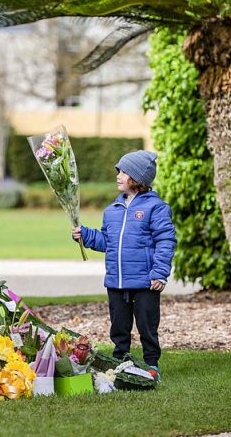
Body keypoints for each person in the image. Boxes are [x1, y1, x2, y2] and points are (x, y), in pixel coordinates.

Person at [72, 150, 176, 381]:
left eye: (124, 171)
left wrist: (159, 273)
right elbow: (106, 242)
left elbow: (165, 241)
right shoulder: (113, 210)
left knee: (147, 326)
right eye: (118, 170)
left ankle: (151, 365)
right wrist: (85, 235)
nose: (118, 175)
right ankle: (121, 362)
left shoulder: (156, 208)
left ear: (138, 178)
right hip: (117, 281)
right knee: (119, 326)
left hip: (145, 281)